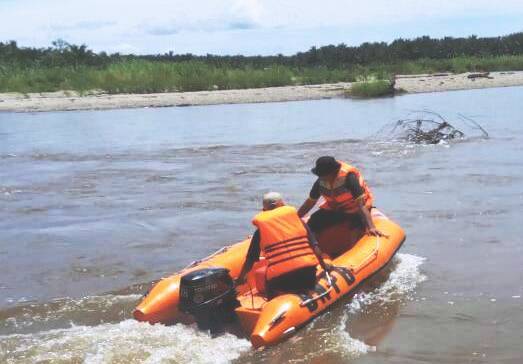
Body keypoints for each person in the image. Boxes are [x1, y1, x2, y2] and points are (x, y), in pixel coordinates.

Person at [236, 192, 332, 298]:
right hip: (307, 276)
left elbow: (250, 260)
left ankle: (271, 302)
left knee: (267, 280)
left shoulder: (260, 231)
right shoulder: (298, 222)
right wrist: (324, 266)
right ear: (283, 205)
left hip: (281, 282)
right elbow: (316, 248)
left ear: (264, 211)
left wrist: (240, 279)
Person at [298, 156, 385, 237]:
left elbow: (361, 205)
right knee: (313, 222)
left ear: (332, 172)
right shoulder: (320, 181)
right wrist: (296, 217)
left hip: (356, 209)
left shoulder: (349, 178)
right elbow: (310, 202)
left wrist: (371, 227)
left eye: (323, 175)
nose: (320, 177)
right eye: (319, 175)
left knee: (357, 227)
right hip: (336, 209)